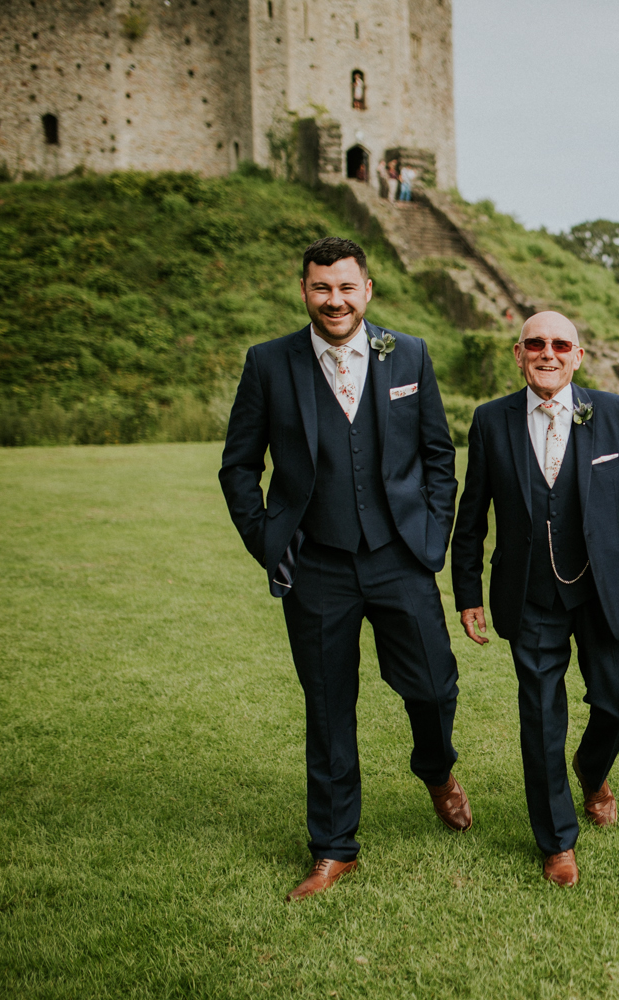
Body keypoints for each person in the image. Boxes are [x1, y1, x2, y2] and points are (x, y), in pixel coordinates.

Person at [219, 237, 468, 902]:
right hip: (317, 565)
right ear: (304, 290)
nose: (335, 300)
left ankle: (435, 768)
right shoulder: (269, 363)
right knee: (329, 710)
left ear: (368, 291)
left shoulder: (407, 353)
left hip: (400, 558)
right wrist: (267, 540)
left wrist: (429, 538)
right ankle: (334, 848)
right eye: (321, 288)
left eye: (346, 288)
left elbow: (438, 454)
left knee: (435, 686)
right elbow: (240, 466)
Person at [450, 312, 619, 887]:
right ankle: (556, 841)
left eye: (560, 344)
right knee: (542, 718)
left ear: (578, 355)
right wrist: (468, 593)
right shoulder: (490, 421)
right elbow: (471, 518)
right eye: (536, 344)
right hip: (529, 596)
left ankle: (591, 770)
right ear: (518, 353)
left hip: (605, 590)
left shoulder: (618, 414)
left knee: (617, 705)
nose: (548, 353)